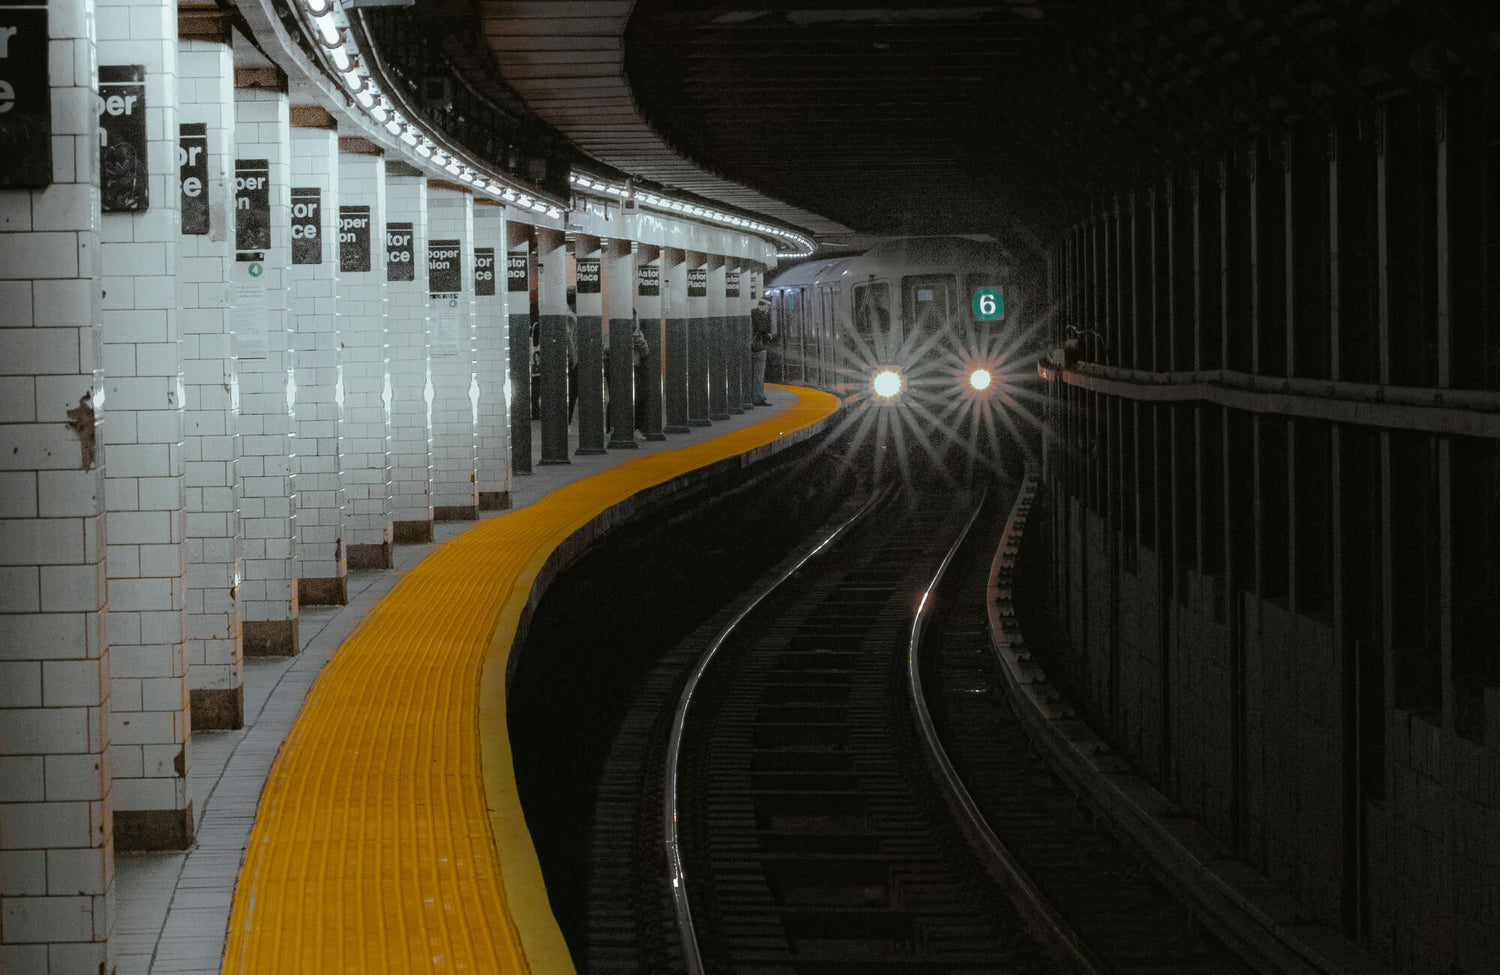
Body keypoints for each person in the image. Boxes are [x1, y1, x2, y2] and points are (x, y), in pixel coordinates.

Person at [750, 297, 773, 406]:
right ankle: (758, 398)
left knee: (754, 374)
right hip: (759, 348)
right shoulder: (758, 314)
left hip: (752, 348)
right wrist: (768, 335)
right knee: (759, 374)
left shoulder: (752, 313)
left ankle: (755, 396)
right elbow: (762, 328)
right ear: (766, 305)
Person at [632, 314, 651, 435]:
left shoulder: (637, 333)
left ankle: (637, 427)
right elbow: (645, 349)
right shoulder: (636, 334)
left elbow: (645, 349)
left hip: (638, 366)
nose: (633, 322)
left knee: (642, 397)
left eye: (634, 319)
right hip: (635, 366)